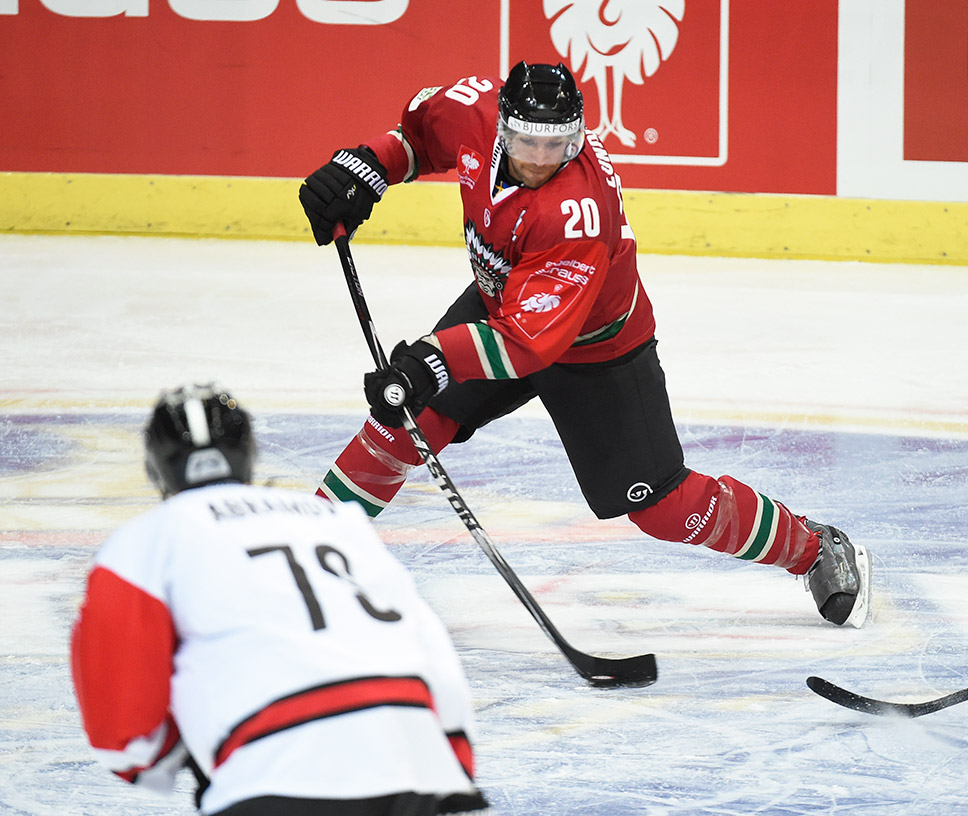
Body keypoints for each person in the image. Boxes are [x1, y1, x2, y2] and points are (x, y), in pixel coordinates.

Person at [297, 62, 872, 629]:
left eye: (559, 145)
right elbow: (418, 139)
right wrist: (368, 165)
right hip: (507, 304)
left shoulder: (578, 211)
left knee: (663, 508)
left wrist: (431, 362)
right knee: (406, 416)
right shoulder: (471, 110)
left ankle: (814, 548)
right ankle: (300, 555)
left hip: (598, 351)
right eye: (527, 143)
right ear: (500, 126)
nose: (543, 160)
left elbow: (527, 346)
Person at [70, 384, 489, 816]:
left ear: (154, 468)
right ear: (249, 454)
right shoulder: (339, 522)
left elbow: (125, 736)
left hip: (274, 776)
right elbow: (430, 648)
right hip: (413, 767)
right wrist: (448, 763)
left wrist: (185, 752)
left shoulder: (143, 541)